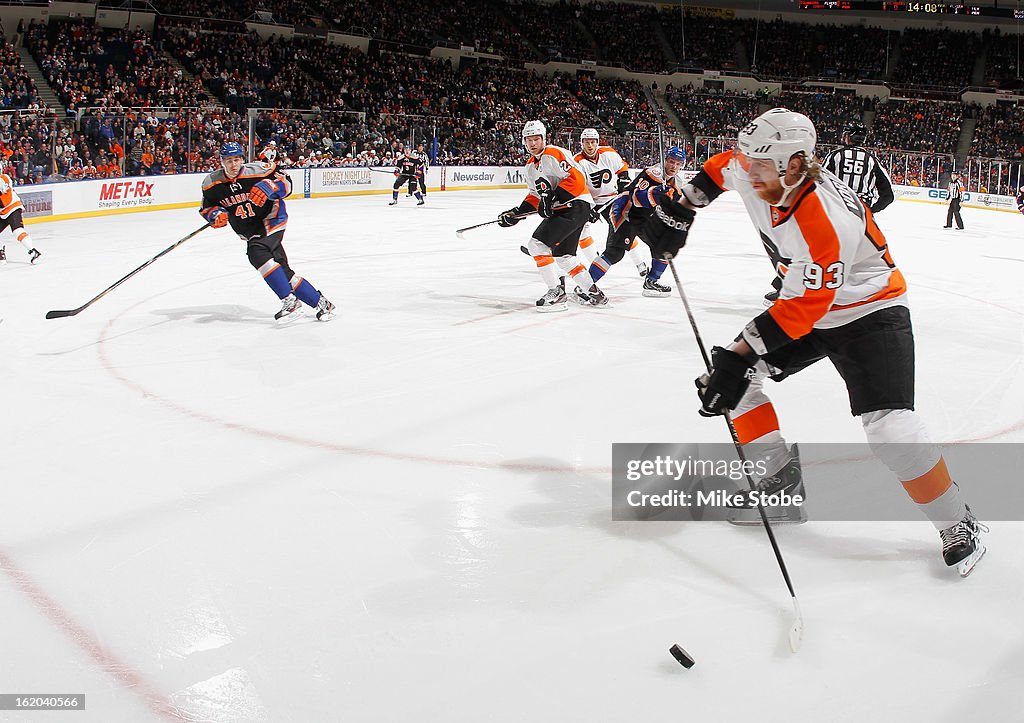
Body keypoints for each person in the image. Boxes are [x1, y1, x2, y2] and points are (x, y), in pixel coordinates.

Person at [664, 107, 986, 576]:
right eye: (747, 157)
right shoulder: (757, 166)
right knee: (733, 381)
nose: (746, 169)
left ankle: (959, 521)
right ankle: (778, 483)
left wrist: (739, 353)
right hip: (811, 302)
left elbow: (804, 310)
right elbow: (718, 168)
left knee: (891, 430)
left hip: (868, 311)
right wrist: (681, 208)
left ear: (795, 164)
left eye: (759, 163)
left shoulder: (826, 217)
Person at [199, 142, 335, 324]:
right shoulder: (211, 183)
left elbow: (287, 184)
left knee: (256, 253)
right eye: (229, 161)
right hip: (249, 229)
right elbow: (206, 208)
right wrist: (214, 214)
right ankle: (322, 304)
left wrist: (273, 186)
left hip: (272, 219)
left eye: (237, 159)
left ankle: (290, 303)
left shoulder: (260, 169)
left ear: (242, 159)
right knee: (283, 272)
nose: (234, 165)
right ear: (222, 162)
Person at [497, 120, 607, 311]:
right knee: (564, 256)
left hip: (575, 205)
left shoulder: (554, 153)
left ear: (544, 139)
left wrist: (553, 198)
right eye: (528, 140)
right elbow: (534, 196)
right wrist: (515, 214)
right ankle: (593, 292)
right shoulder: (530, 166)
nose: (532, 143)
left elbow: (576, 179)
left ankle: (557, 292)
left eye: (536, 139)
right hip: (568, 209)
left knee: (536, 245)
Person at [595, 146, 692, 297]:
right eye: (672, 162)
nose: (674, 166)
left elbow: (673, 205)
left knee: (665, 245)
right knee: (614, 253)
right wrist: (654, 193)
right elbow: (636, 197)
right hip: (626, 212)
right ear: (665, 160)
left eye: (678, 163)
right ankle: (585, 286)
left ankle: (651, 282)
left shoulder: (676, 183)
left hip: (646, 218)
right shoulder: (653, 173)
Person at [573, 128, 648, 278]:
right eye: (587, 142)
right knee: (581, 231)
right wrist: (587, 207)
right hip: (590, 201)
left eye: (593, 141)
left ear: (597, 142)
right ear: (581, 143)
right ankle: (596, 261)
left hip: (613, 200)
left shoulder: (608, 153)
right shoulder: (577, 162)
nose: (590, 145)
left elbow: (622, 169)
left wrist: (623, 182)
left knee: (622, 230)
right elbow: (577, 187)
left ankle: (640, 263)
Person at [0, 171, 42, 266]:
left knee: (17, 231)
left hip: (12, 208)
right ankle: (1, 252)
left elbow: (2, 199)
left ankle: (33, 252)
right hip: (2, 212)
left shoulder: (3, 178)